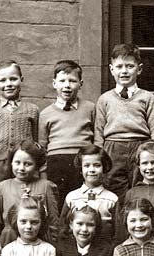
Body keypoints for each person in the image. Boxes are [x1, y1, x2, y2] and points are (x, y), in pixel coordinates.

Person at [94, 43, 154, 202]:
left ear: (139, 69)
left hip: (140, 148)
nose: (124, 71)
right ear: (112, 70)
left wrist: (153, 150)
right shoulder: (104, 99)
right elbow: (98, 131)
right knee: (114, 192)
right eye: (119, 66)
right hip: (113, 148)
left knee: (140, 190)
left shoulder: (147, 97)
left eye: (129, 66)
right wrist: (100, 155)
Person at [38, 60, 96, 209]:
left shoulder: (90, 108)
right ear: (54, 83)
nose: (67, 85)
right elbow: (42, 147)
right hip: (56, 164)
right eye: (62, 81)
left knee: (83, 204)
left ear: (81, 83)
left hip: (82, 162)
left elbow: (97, 138)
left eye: (72, 81)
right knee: (58, 204)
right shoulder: (46, 114)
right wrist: (44, 176)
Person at [0, 60, 39, 187]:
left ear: (21, 80)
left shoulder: (32, 109)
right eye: (3, 80)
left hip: (23, 166)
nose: (8, 84)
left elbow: (36, 143)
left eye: (13, 79)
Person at [0, 140, 60, 247]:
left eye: (28, 164)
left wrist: (54, 244)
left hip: (39, 242)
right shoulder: (2, 187)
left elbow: (53, 221)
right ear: (11, 162)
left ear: (36, 166)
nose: (21, 168)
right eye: (17, 163)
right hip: (9, 241)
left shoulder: (46, 186)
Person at [59, 145, 117, 242]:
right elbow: (62, 229)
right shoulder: (72, 197)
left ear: (104, 168)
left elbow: (118, 232)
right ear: (81, 169)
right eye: (87, 165)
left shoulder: (112, 199)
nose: (92, 170)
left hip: (104, 251)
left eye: (97, 165)